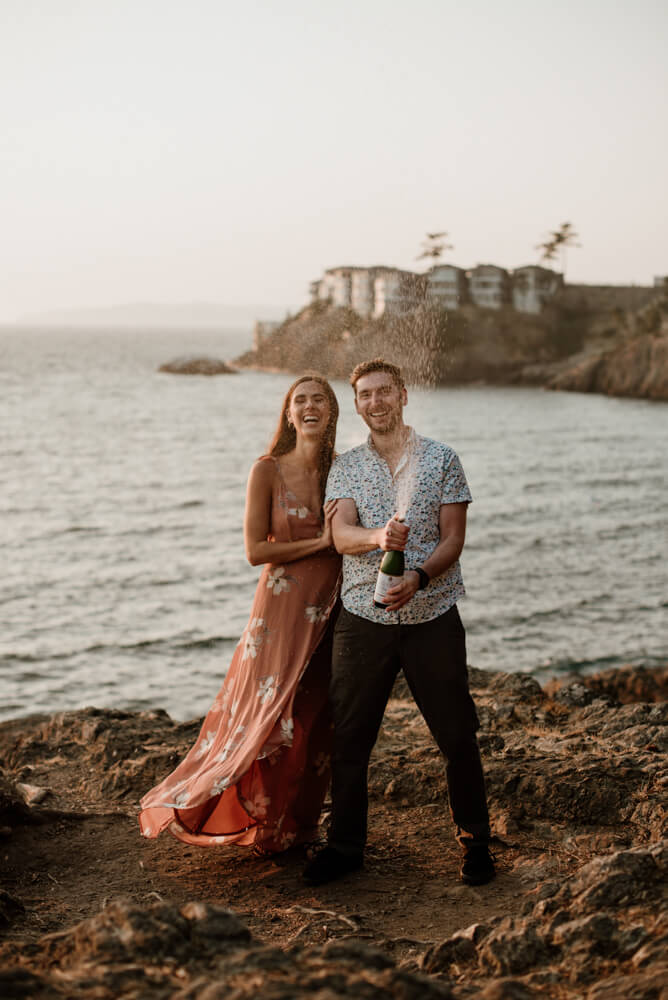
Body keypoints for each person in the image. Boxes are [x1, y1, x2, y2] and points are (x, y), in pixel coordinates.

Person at [303, 358, 494, 887]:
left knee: (457, 734)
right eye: (365, 395)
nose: (375, 402)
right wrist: (377, 538)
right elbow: (340, 535)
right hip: (363, 618)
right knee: (350, 738)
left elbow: (454, 538)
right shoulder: (345, 466)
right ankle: (345, 847)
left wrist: (420, 577)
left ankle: (475, 841)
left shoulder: (441, 459)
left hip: (433, 615)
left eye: (384, 392)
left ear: (403, 395)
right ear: (358, 403)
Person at [139, 375, 341, 854]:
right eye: (300, 401)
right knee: (273, 719)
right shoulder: (267, 470)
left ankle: (304, 828)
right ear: (289, 415)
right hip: (281, 610)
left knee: (317, 719)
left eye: (319, 399)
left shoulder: (343, 469)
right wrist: (321, 542)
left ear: (332, 411)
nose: (309, 406)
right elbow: (255, 550)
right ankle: (264, 828)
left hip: (333, 609)